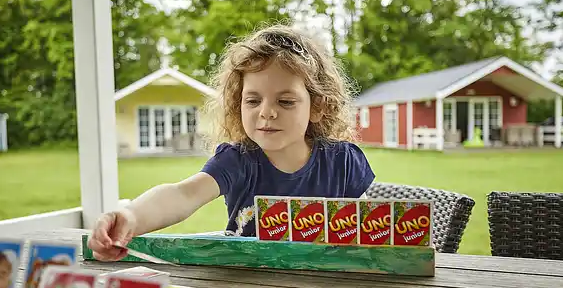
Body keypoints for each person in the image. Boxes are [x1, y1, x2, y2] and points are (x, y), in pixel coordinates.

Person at [88, 23, 376, 261]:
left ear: (317, 107)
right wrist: (130, 216)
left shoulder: (343, 162)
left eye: (285, 101)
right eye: (252, 100)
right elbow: (183, 194)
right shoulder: (238, 160)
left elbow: (371, 229)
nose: (266, 112)